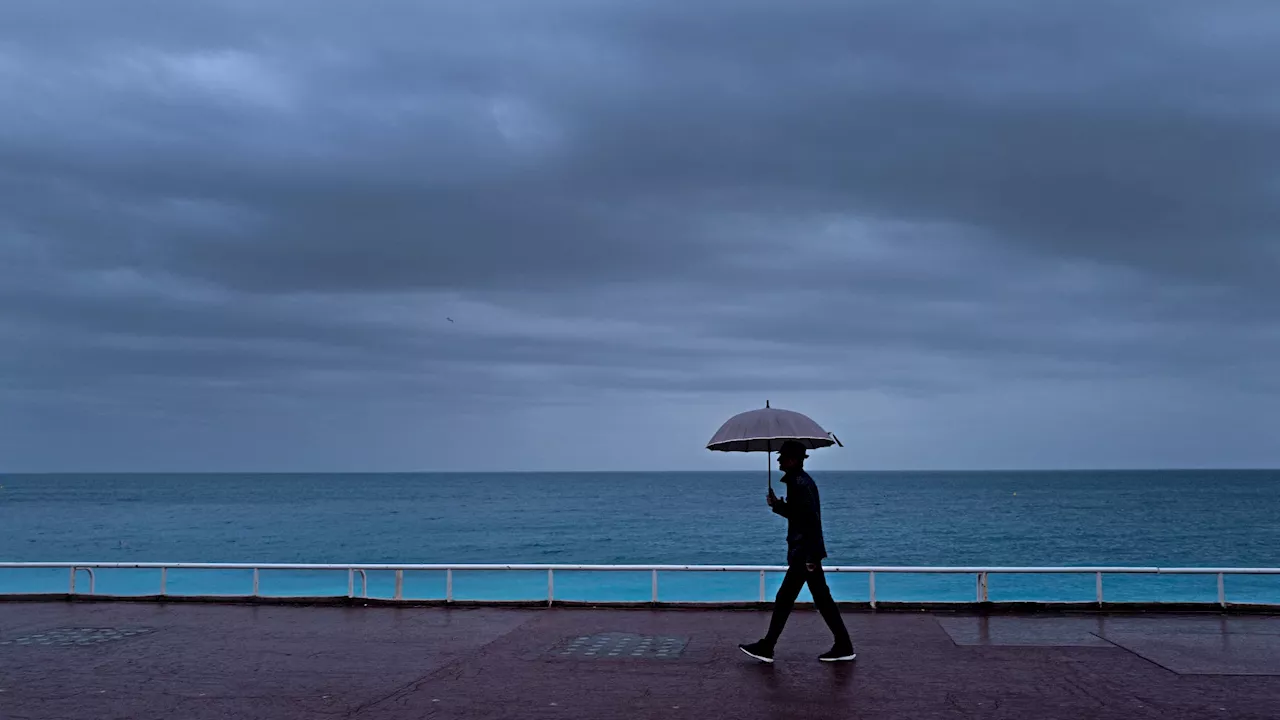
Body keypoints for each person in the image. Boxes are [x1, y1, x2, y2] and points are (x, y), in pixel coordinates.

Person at [739, 440, 855, 663]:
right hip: (805, 552)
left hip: (804, 553)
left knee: (786, 598)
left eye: (782, 457)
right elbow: (799, 515)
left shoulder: (799, 484)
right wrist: (777, 505)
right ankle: (843, 645)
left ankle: (767, 646)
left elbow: (809, 521)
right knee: (820, 599)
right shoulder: (800, 482)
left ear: (793, 460)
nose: (779, 460)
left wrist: (810, 557)